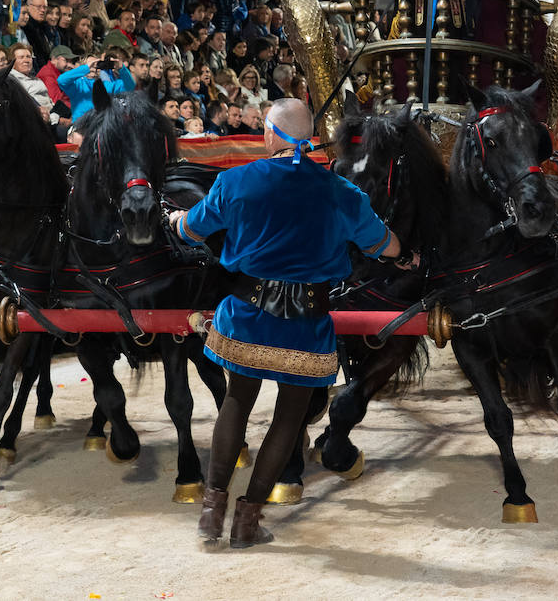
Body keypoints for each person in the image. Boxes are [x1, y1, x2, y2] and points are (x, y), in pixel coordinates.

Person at [170, 99, 411, 548]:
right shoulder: (340, 191)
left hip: (247, 316)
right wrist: (406, 252)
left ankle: (211, 512)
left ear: (270, 133)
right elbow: (385, 246)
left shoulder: (236, 180)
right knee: (288, 418)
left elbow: (192, 229)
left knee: (237, 401)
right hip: (306, 323)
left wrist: (176, 219)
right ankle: (247, 522)